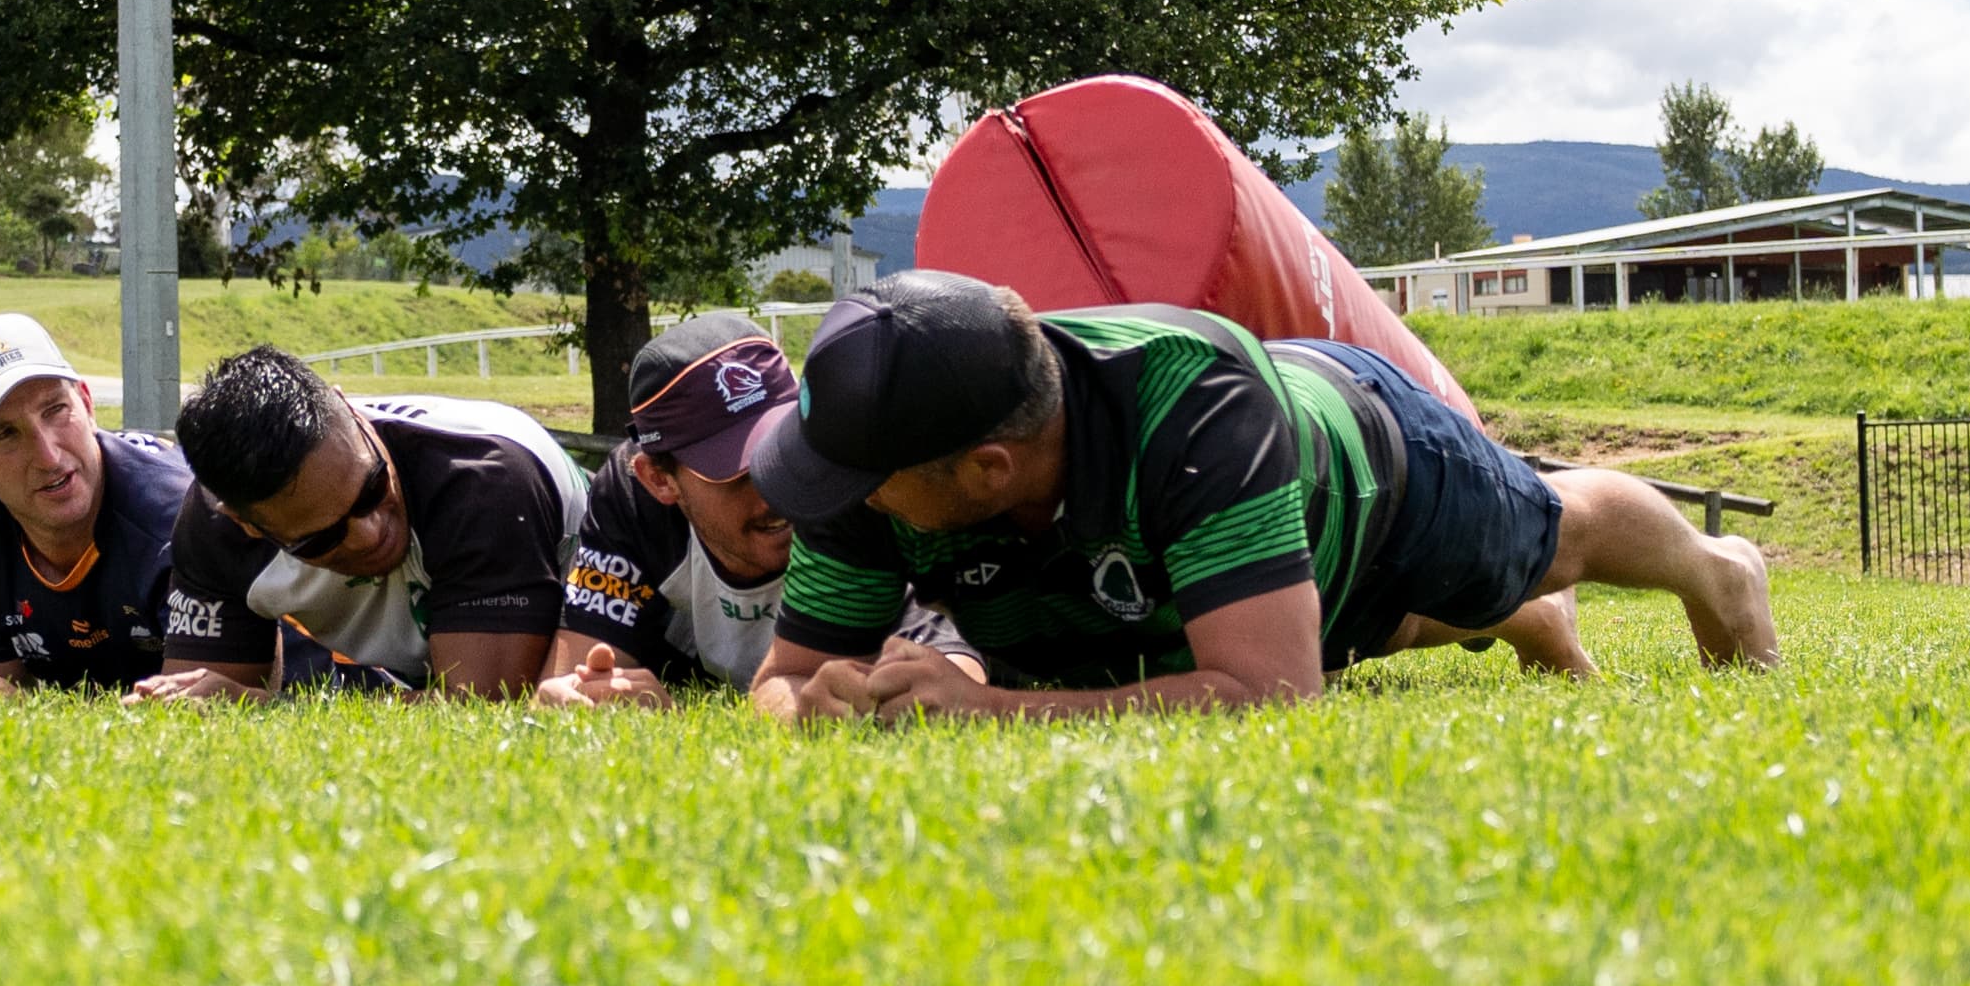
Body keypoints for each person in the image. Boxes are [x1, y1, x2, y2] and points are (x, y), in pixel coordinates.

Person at [745, 272, 1781, 725]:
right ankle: (1510, 623)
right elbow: (780, 679)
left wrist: (989, 714)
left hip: (1361, 462)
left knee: (1549, 539)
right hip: (1197, 553)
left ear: (985, 469)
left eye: (865, 489)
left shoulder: (1191, 408)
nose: (832, 504)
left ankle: (1713, 568)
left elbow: (1270, 692)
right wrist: (809, 706)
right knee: (1163, 643)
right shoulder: (861, 449)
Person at [537, 311, 978, 710]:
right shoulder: (631, 499)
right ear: (659, 478)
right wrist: (589, 696)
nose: (777, 492)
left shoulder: (846, 470)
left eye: (786, 452)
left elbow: (954, 675)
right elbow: (574, 677)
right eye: (737, 474)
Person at [142, 347, 584, 701]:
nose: (370, 533)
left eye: (372, 489)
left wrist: (268, 708)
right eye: (322, 539)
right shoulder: (213, 529)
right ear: (246, 525)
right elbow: (202, 702)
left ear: (350, 410)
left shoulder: (485, 480)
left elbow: (482, 709)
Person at [0, 314, 188, 697]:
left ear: (86, 403)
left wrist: (22, 707)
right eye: (6, 435)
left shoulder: (180, 519)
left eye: (55, 410)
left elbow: (205, 711)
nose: (48, 456)